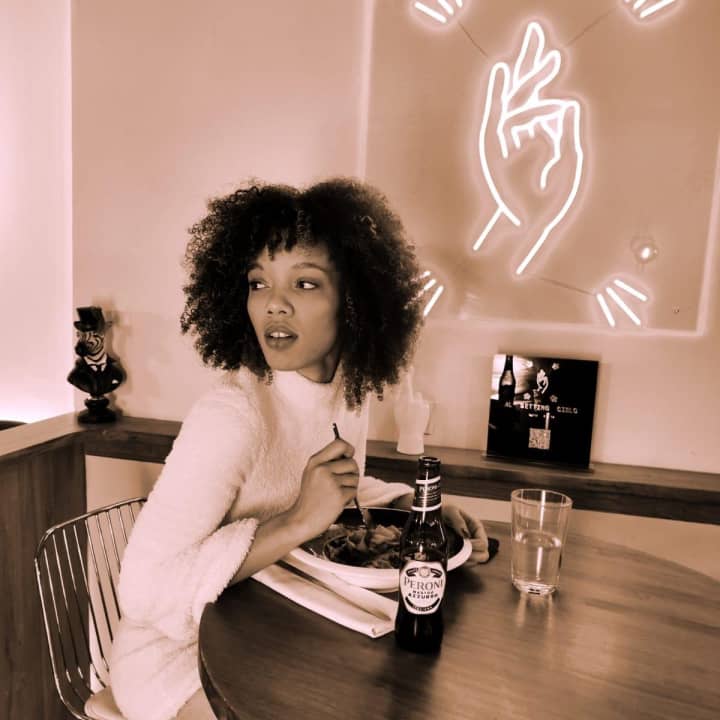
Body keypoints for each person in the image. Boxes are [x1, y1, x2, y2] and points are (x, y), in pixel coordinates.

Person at [110, 178, 490, 720]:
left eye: (305, 283)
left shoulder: (347, 391)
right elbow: (143, 591)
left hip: (273, 632)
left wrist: (413, 510)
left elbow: (334, 487)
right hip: (179, 659)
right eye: (258, 283)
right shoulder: (232, 416)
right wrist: (295, 522)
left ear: (353, 301)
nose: (274, 305)